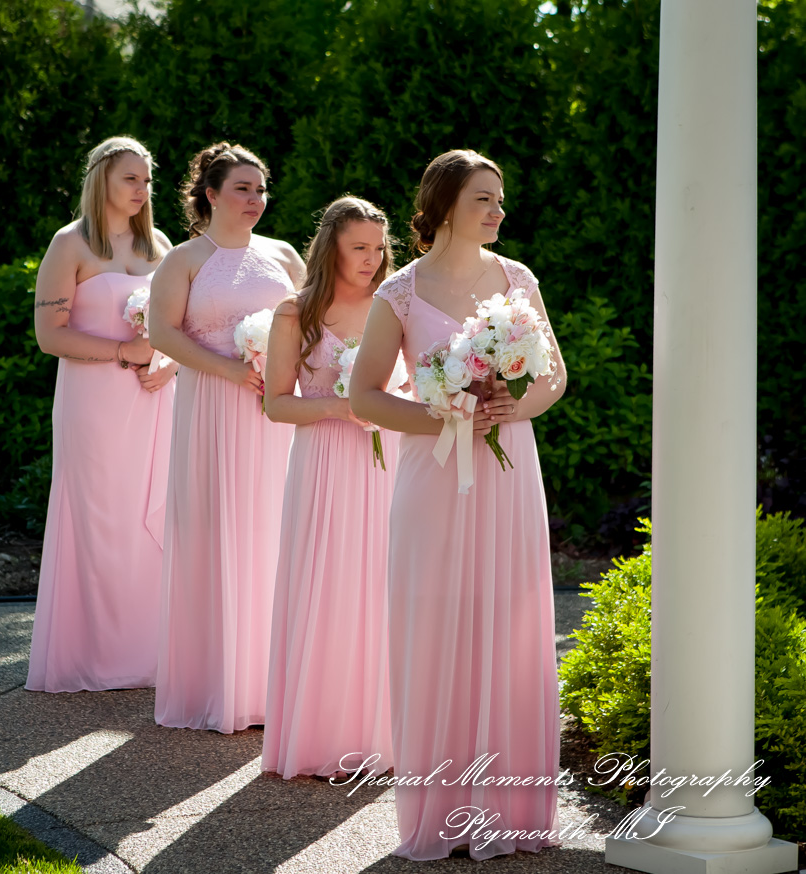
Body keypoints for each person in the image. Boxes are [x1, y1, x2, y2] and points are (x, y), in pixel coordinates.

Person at [349, 149, 567, 860]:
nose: (499, 211)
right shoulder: (399, 294)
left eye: (499, 199)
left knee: (507, 621)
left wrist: (512, 404)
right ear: (445, 207)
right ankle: (439, 814)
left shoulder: (518, 280)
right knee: (435, 624)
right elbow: (365, 396)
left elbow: (553, 377)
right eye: (484, 199)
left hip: (507, 475)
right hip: (434, 478)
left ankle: (509, 812)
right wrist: (443, 416)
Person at [149, 142, 304, 733]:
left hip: (274, 410)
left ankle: (272, 683)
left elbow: (315, 317)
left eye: (261, 189)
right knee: (220, 529)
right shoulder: (186, 259)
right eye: (242, 189)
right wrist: (230, 370)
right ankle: (217, 685)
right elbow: (163, 331)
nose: (255, 200)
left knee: (273, 529)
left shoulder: (284, 255)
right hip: (215, 403)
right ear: (210, 194)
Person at [27, 136, 176, 693]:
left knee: (152, 517)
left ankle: (153, 656)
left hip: (154, 397)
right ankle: (99, 657)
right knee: (101, 520)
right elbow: (48, 335)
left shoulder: (158, 243)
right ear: (102, 182)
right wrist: (122, 351)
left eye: (147, 180)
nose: (142, 189)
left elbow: (176, 329)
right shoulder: (70, 245)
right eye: (130, 179)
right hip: (94, 402)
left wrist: (169, 366)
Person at [261, 197, 397, 780]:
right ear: (331, 248)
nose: (371, 259)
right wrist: (346, 405)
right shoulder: (296, 312)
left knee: (383, 585)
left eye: (377, 247)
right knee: (327, 585)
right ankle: (321, 736)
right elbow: (276, 403)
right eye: (358, 247)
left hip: (389, 460)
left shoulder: (395, 305)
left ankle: (384, 735)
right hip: (322, 463)